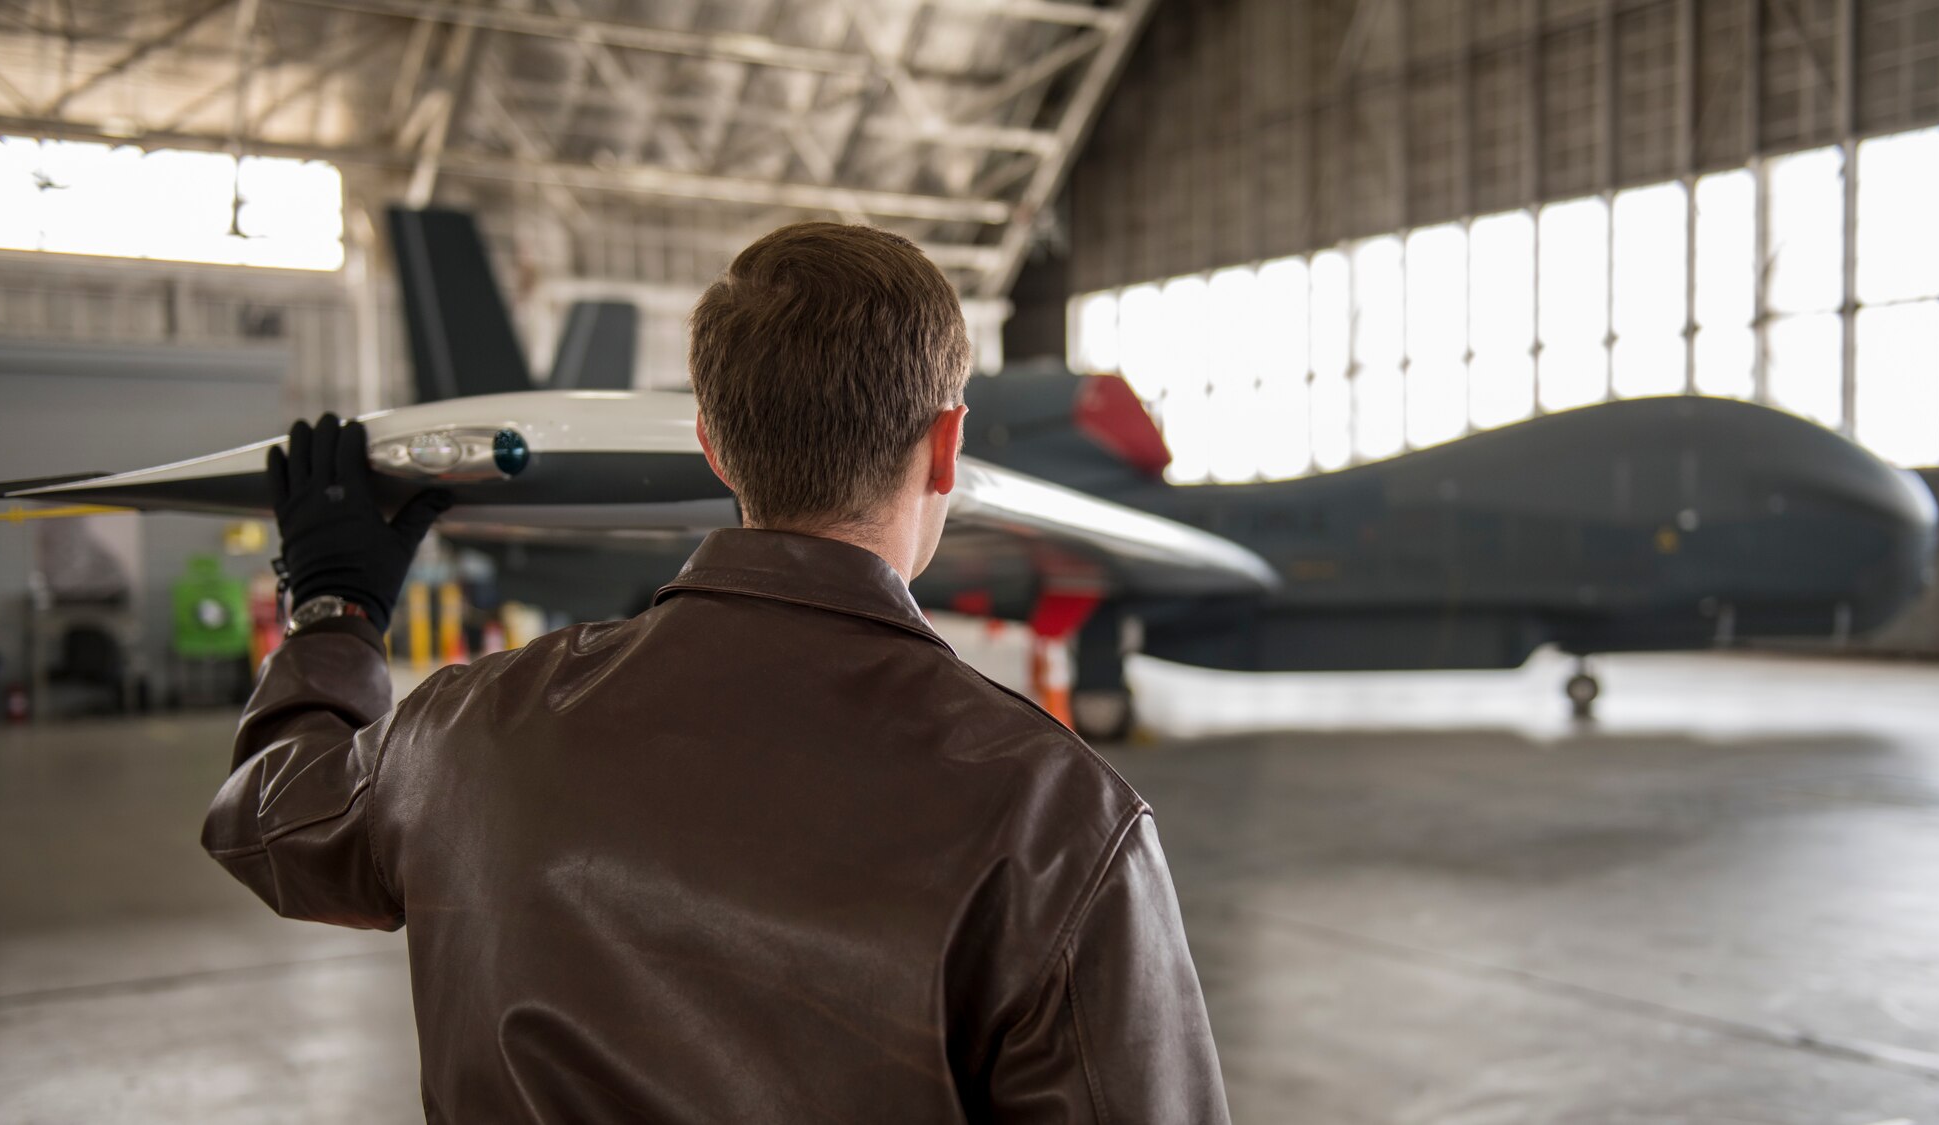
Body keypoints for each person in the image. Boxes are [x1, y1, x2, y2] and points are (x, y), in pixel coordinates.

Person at [203, 222, 1230, 1123]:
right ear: (946, 445)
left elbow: (265, 821)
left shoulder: (466, 728)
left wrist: (335, 608)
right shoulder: (1058, 821)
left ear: (712, 445)